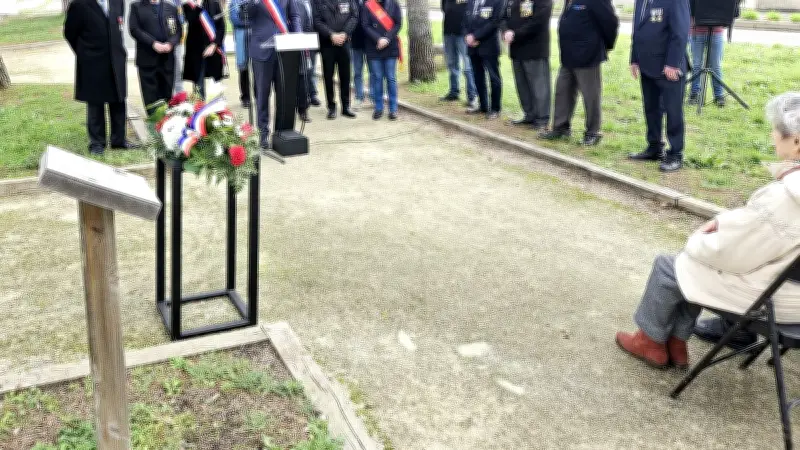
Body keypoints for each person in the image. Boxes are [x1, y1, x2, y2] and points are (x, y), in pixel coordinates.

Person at [615, 92, 800, 369]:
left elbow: (730, 253)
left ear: (796, 141)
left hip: (774, 302)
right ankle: (676, 343)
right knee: (692, 264)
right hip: (790, 293)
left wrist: (701, 237)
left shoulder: (787, 198)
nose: (773, 136)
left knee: (673, 264)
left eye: (776, 130)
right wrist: (726, 224)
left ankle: (650, 340)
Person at [539, 0, 618, 145]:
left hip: (588, 56)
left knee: (590, 96)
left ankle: (593, 132)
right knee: (562, 91)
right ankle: (560, 128)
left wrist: (605, 45)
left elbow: (610, 22)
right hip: (568, 56)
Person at [64, 0, 135, 155]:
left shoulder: (117, 2)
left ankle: (119, 140)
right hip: (92, 61)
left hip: (116, 58)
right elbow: (70, 32)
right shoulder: (79, 4)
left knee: (118, 99)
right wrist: (84, 52)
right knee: (95, 102)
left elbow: (118, 26)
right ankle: (97, 143)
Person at [627, 0, 690, 172]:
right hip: (646, 64)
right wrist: (634, 58)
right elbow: (637, 30)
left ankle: (675, 153)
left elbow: (681, 31)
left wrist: (672, 63)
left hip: (668, 66)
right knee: (651, 108)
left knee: (673, 111)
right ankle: (654, 147)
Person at [243, 0, 302, 149]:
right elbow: (245, 15)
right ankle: (263, 133)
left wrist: (298, 36)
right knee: (262, 95)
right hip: (261, 50)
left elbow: (294, 16)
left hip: (285, 50)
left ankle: (281, 131)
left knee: (284, 94)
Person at [502, 0, 553, 130]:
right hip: (517, 49)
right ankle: (529, 115)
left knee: (539, 86)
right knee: (522, 85)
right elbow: (503, 15)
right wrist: (505, 30)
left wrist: (515, 34)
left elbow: (538, 21)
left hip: (534, 49)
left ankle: (542, 119)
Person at [129, 0, 183, 117]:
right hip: (147, 60)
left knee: (167, 95)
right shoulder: (136, 7)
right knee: (151, 97)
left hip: (167, 60)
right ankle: (154, 122)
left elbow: (178, 31)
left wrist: (170, 44)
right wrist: (153, 43)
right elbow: (134, 29)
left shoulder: (171, 7)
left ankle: (166, 124)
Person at [686, 0, 740, 107]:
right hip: (696, 32)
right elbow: (688, 8)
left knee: (716, 66)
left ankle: (718, 96)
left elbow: (735, 11)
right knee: (697, 65)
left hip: (716, 33)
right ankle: (694, 94)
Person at [315, 0, 360, 120]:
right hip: (327, 44)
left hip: (344, 43)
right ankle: (331, 107)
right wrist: (331, 35)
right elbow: (317, 20)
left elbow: (354, 16)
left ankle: (346, 106)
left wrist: (345, 33)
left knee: (345, 76)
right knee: (328, 76)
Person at [361, 0, 402, 120]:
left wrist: (387, 39)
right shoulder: (368, 5)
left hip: (390, 46)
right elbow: (365, 25)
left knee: (391, 77)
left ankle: (393, 109)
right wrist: (378, 39)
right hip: (374, 46)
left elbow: (398, 24)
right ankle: (378, 107)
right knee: (377, 77)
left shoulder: (394, 4)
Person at [464, 0, 503, 119]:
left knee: (493, 78)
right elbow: (465, 21)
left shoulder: (497, 1)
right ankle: (483, 105)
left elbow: (494, 22)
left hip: (488, 46)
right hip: (473, 47)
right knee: (478, 77)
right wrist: (467, 36)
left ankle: (495, 108)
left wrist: (476, 36)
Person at [182, 0, 227, 100]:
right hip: (196, 51)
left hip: (213, 48)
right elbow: (191, 20)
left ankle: (218, 110)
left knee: (216, 82)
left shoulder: (214, 3)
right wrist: (198, 6)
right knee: (198, 85)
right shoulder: (187, 5)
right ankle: (200, 108)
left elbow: (221, 26)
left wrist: (214, 44)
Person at [440, 0, 476, 107]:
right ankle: (454, 91)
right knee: (451, 63)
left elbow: (472, 10)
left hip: (463, 34)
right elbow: (444, 9)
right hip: (448, 32)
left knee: (467, 66)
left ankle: (472, 96)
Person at [230, 0, 252, 108]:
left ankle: (258, 96)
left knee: (258, 69)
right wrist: (250, 22)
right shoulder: (234, 3)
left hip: (255, 38)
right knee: (243, 69)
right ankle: (245, 97)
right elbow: (235, 20)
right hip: (241, 38)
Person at [297, 0, 316, 122]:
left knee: (303, 79)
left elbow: (308, 27)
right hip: (284, 50)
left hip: (302, 48)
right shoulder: (282, 5)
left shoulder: (302, 7)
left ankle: (303, 109)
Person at [350, 0, 369, 110]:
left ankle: (373, 97)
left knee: (373, 72)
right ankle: (359, 96)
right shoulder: (351, 2)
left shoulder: (371, 2)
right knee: (357, 72)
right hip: (355, 43)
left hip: (370, 42)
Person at [173, 3, 187, 95]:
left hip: (179, 40)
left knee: (178, 68)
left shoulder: (182, 2)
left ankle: (179, 95)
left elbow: (183, 20)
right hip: (164, 39)